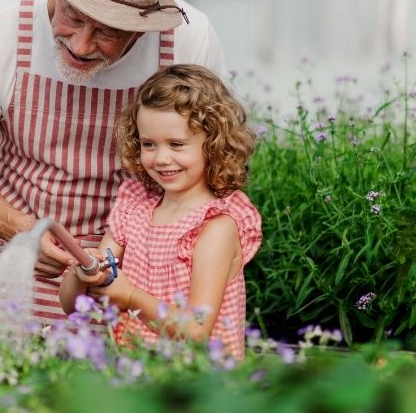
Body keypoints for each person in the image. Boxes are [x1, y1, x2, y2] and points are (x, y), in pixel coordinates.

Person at [0, 0, 229, 324]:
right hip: (29, 259)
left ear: (142, 28)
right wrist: (23, 231)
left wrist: (154, 256)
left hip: (149, 269)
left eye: (107, 32)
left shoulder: (188, 40)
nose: (80, 44)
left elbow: (214, 168)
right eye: (73, 17)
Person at [58, 64, 263, 359]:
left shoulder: (216, 226)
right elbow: (71, 305)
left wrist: (130, 297)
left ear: (214, 144)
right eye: (149, 144)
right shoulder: (134, 207)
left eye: (177, 144)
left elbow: (195, 330)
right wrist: (83, 274)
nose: (162, 158)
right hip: (140, 380)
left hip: (201, 387)